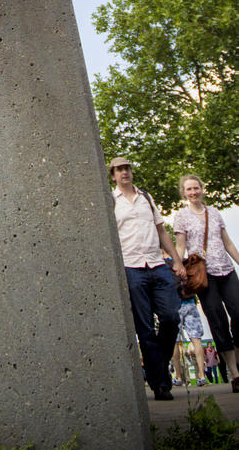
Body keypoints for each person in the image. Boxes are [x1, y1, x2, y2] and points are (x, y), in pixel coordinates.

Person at [109, 156, 187, 400]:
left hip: (157, 264)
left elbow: (161, 230)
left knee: (171, 317)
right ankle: (160, 384)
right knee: (144, 328)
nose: (125, 173)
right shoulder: (111, 200)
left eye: (127, 168)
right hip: (132, 267)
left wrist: (175, 260)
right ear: (113, 175)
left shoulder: (146, 198)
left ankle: (157, 366)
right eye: (119, 170)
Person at [173, 173, 239, 392]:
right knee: (217, 319)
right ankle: (235, 374)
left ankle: (236, 360)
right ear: (184, 193)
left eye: (196, 188)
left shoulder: (214, 213)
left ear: (202, 189)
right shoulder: (181, 216)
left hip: (226, 269)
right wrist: (178, 266)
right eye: (189, 189)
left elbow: (227, 242)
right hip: (203, 274)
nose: (193, 192)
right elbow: (180, 246)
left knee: (237, 313)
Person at [171, 295, 208, 386]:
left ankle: (178, 376)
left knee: (174, 341)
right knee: (196, 340)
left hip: (174, 304)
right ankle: (202, 376)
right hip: (190, 302)